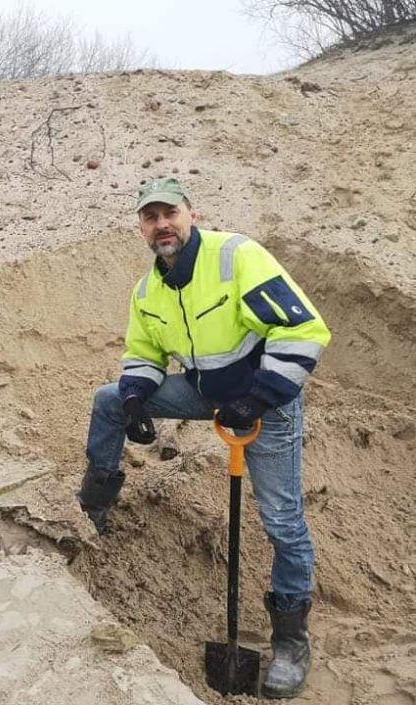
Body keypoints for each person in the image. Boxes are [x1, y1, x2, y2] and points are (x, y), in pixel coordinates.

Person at [79, 178, 330, 698]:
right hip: (204, 392)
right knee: (108, 398)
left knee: (282, 518)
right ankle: (93, 510)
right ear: (142, 228)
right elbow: (144, 354)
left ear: (191, 213)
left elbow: (302, 329)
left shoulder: (236, 256)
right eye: (150, 218)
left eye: (169, 212)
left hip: (266, 404)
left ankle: (290, 639)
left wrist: (259, 398)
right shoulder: (148, 290)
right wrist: (134, 398)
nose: (161, 225)